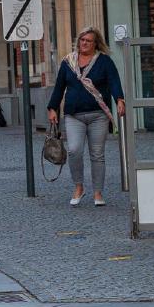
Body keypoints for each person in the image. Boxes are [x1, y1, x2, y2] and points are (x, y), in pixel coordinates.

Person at [47, 27, 126, 207]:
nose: (84, 43)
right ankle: (79, 187)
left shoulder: (104, 61)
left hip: (98, 115)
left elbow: (114, 81)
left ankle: (98, 193)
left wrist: (119, 99)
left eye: (88, 40)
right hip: (73, 115)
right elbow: (59, 86)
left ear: (95, 43)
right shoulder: (68, 62)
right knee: (74, 150)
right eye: (82, 39)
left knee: (97, 154)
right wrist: (52, 108)